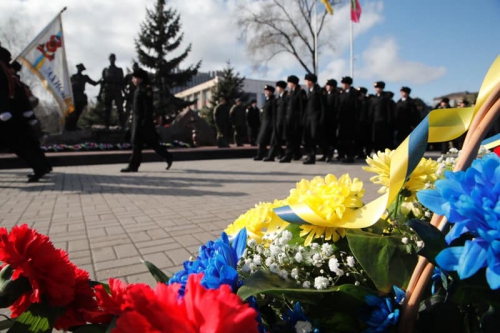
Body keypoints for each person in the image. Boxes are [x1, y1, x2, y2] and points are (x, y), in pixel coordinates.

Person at [0, 46, 52, 182]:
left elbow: (2, 92)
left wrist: (3, 110)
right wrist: (27, 112)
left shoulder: (5, 73)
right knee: (27, 141)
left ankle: (40, 166)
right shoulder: (9, 74)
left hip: (7, 116)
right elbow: (20, 93)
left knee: (22, 144)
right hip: (15, 114)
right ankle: (42, 166)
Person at [121, 68, 173, 172]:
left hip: (143, 122)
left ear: (140, 78)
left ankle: (133, 166)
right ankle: (167, 156)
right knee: (144, 143)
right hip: (139, 121)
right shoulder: (139, 89)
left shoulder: (146, 89)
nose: (133, 80)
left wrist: (143, 121)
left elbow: (147, 107)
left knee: (142, 143)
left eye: (134, 78)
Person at [65, 63, 100, 131]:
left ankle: (74, 125)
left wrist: (100, 80)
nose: (80, 69)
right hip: (74, 96)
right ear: (77, 69)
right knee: (72, 112)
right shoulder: (73, 77)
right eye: (79, 68)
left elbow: (94, 83)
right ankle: (69, 126)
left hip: (81, 96)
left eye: (81, 68)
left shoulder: (85, 77)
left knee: (79, 111)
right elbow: (67, 86)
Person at [302, 73, 324, 165]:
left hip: (315, 119)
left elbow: (323, 107)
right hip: (308, 119)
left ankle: (313, 156)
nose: (305, 83)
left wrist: (321, 119)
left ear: (310, 81)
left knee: (314, 138)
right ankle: (310, 155)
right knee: (307, 138)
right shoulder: (309, 91)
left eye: (306, 81)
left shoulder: (319, 91)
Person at [337, 76, 359, 163]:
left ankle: (350, 156)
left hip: (351, 120)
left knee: (350, 139)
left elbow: (357, 107)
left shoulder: (354, 93)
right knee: (343, 138)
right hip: (342, 120)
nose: (343, 85)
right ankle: (343, 155)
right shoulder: (341, 93)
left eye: (344, 84)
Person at [264, 81, 287, 161]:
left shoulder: (286, 97)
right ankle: (274, 155)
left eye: (277, 87)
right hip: (277, 122)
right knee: (275, 140)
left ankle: (275, 155)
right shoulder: (279, 98)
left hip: (283, 122)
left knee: (279, 140)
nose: (277, 89)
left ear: (281, 87)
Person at [101, 53, 126, 128]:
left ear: (115, 59)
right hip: (108, 91)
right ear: (109, 59)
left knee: (120, 108)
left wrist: (125, 93)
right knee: (107, 109)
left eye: (113, 58)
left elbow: (122, 82)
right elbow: (103, 82)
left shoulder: (119, 70)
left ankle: (122, 125)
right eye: (111, 58)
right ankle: (106, 125)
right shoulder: (105, 70)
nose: (112, 59)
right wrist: (100, 93)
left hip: (117, 90)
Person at [319, 79, 339, 162]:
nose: (328, 87)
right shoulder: (324, 94)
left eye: (330, 86)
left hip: (332, 121)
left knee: (331, 139)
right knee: (324, 139)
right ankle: (324, 154)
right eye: (327, 85)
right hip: (324, 120)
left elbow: (336, 108)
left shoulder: (335, 96)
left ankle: (329, 155)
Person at [254, 85, 276, 160]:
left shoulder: (273, 101)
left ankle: (271, 155)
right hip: (264, 123)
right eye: (265, 91)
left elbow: (274, 113)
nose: (266, 92)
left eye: (268, 91)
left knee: (271, 141)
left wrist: (272, 124)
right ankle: (260, 155)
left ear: (271, 92)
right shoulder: (266, 100)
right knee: (262, 140)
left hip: (270, 123)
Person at [370, 81, 392, 152]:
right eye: (376, 88)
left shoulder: (385, 98)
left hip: (383, 122)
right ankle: (376, 151)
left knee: (383, 139)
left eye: (379, 88)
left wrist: (389, 122)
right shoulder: (373, 99)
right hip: (375, 122)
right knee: (375, 138)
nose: (377, 89)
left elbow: (389, 111)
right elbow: (371, 111)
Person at [355, 87, 371, 158]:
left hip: (366, 123)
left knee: (366, 140)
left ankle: (367, 153)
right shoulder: (357, 101)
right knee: (358, 139)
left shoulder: (367, 101)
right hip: (358, 123)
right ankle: (360, 153)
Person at [124, 62, 140, 128]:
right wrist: (125, 92)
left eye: (136, 67)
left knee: (138, 111)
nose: (135, 68)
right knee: (127, 110)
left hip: (138, 96)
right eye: (134, 67)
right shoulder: (128, 76)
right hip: (130, 95)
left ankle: (137, 124)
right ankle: (124, 124)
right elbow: (122, 84)